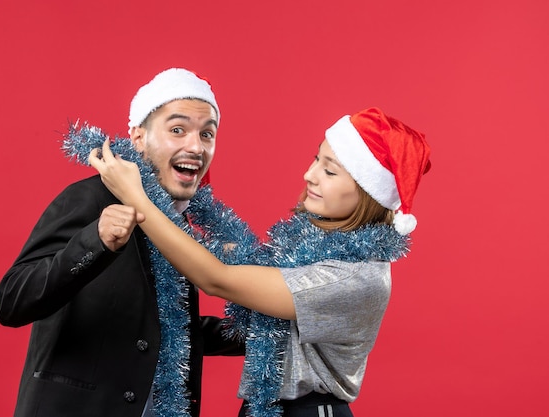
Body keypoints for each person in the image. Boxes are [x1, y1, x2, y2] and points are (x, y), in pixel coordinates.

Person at [88, 107, 432, 417]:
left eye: (329, 172)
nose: (309, 175)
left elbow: (218, 279)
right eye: (316, 160)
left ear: (368, 192)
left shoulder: (354, 276)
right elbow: (234, 256)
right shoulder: (308, 247)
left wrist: (136, 198)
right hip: (263, 408)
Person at [0, 68, 244, 417]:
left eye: (207, 134)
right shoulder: (89, 198)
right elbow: (11, 301)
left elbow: (162, 328)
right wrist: (93, 240)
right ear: (138, 137)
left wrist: (257, 331)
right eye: (177, 130)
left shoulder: (180, 227)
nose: (195, 146)